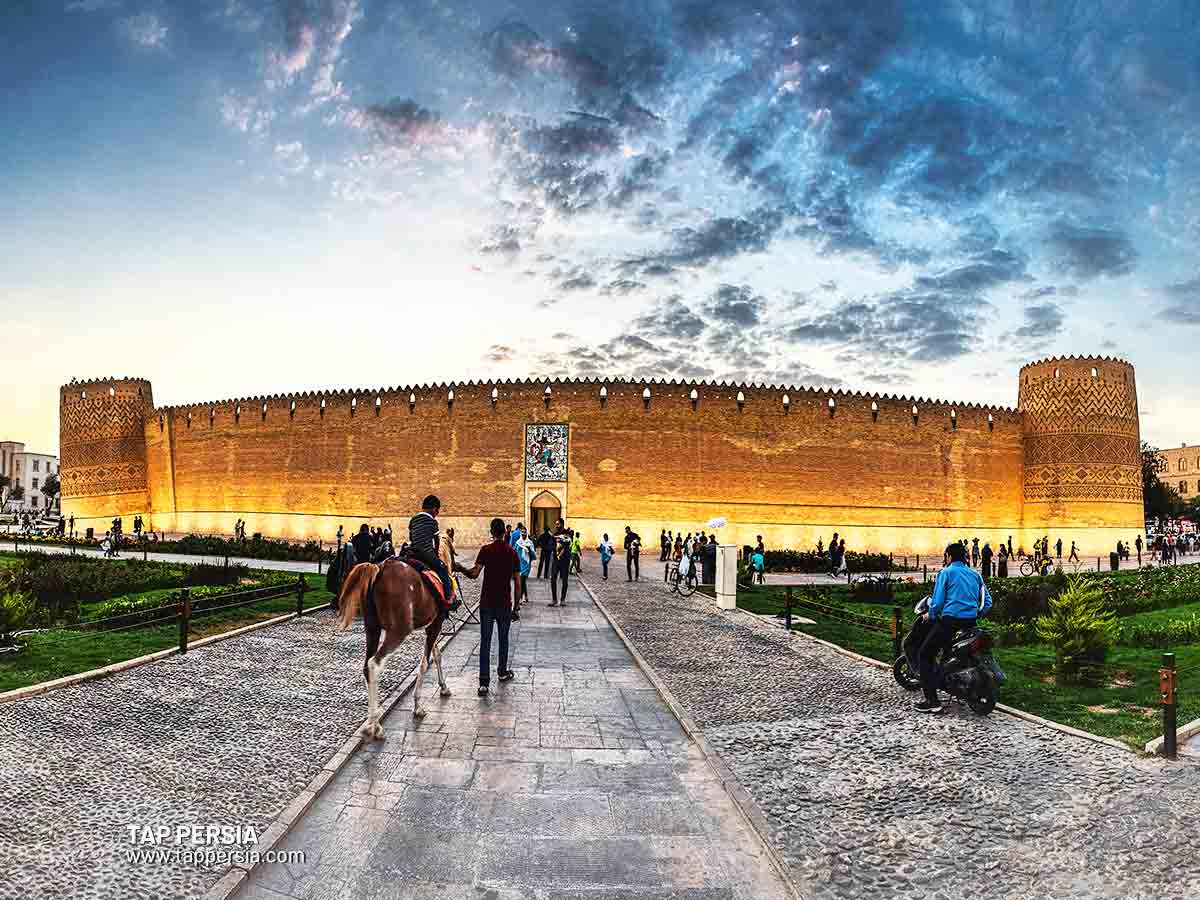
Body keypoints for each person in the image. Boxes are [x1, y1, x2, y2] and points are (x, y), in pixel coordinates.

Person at [916, 542, 993, 714]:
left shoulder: (946, 572)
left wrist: (931, 615)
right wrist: (977, 614)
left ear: (949, 557)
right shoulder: (975, 575)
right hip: (971, 623)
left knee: (925, 654)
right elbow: (987, 602)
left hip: (950, 622)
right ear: (965, 557)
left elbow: (937, 602)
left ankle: (932, 700)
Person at [456, 518, 520, 696]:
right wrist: (516, 607)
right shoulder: (512, 552)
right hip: (505, 603)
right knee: (504, 640)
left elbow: (475, 574)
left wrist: (461, 568)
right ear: (504, 532)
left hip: (487, 604)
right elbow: (518, 582)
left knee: (485, 642)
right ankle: (502, 672)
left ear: (491, 532)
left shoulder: (485, 550)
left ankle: (484, 683)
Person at [407, 496, 455, 612]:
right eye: (437, 511)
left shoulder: (413, 519)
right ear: (434, 509)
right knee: (443, 569)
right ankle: (448, 599)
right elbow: (436, 542)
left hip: (412, 553)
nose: (437, 513)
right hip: (426, 554)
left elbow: (411, 537)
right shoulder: (432, 522)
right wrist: (437, 556)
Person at [514, 525, 534, 618]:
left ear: (527, 533)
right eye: (522, 532)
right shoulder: (518, 543)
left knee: (522, 579)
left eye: (525, 532)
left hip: (526, 564)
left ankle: (521, 598)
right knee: (522, 580)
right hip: (519, 564)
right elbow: (514, 553)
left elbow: (534, 556)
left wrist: (529, 549)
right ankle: (525, 596)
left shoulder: (530, 543)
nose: (523, 534)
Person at [550, 520, 572, 607]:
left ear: (562, 524)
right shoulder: (554, 534)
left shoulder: (567, 534)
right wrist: (553, 548)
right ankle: (554, 599)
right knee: (553, 579)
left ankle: (563, 599)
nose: (556, 526)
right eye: (556, 524)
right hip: (556, 560)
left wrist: (561, 547)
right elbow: (551, 544)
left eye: (558, 524)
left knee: (565, 580)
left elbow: (568, 544)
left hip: (565, 561)